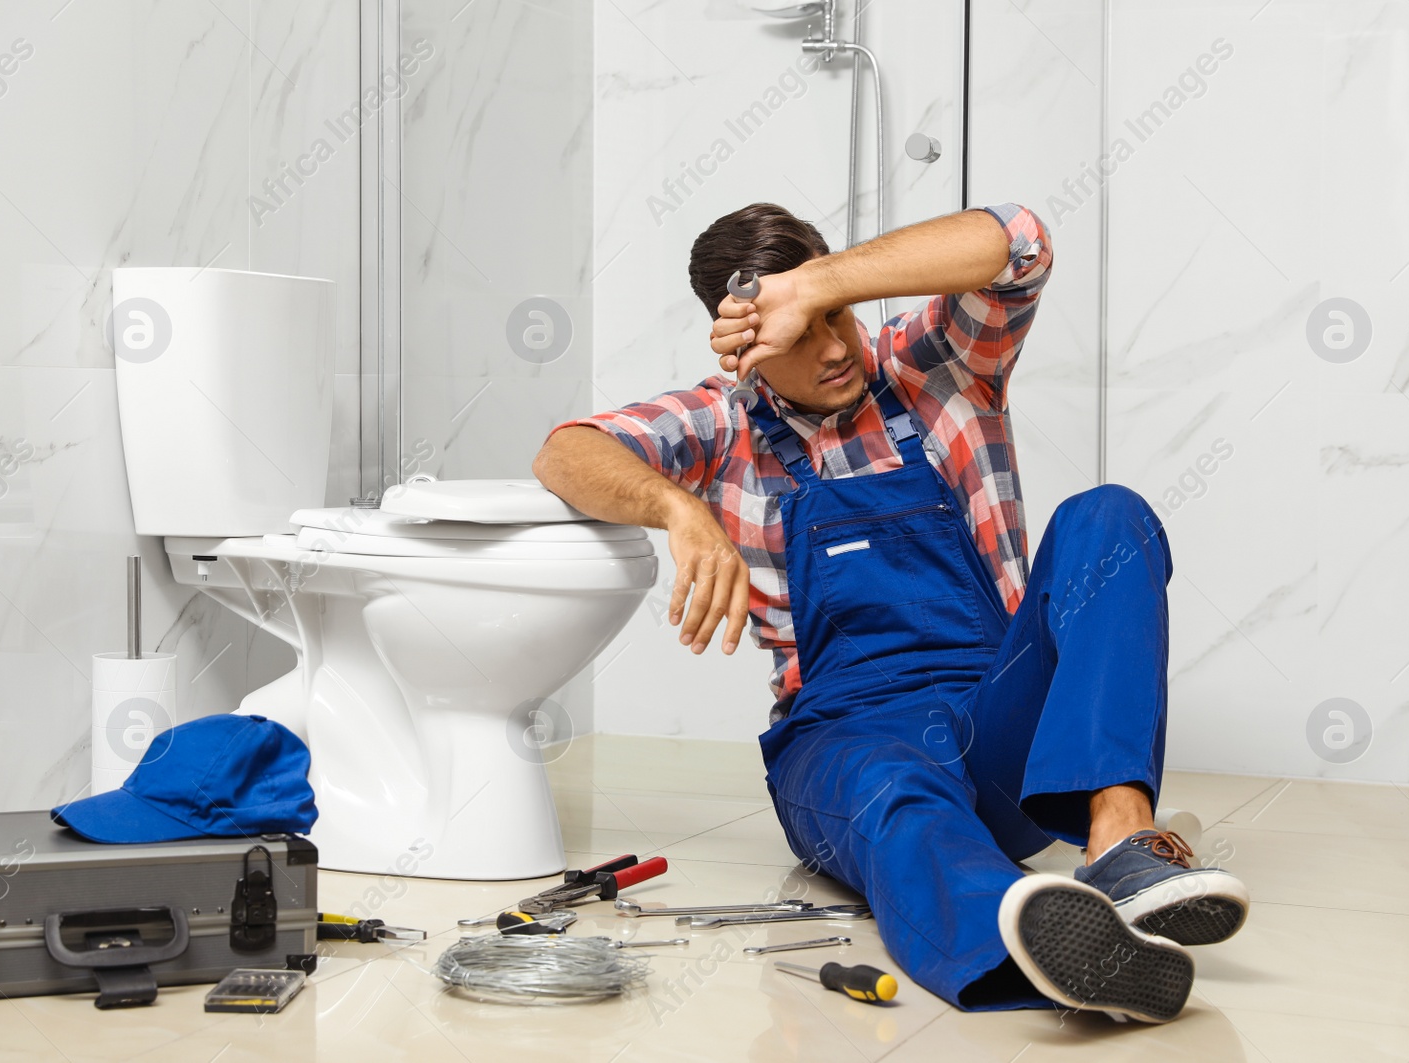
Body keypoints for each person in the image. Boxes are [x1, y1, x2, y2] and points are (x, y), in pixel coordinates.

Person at [532, 201, 1249, 1022]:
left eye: (834, 315)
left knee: (1108, 517)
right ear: (744, 344)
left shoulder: (938, 365)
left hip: (999, 721)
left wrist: (813, 286)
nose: (834, 346)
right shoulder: (722, 423)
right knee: (893, 792)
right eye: (796, 334)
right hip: (845, 733)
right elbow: (565, 451)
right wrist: (679, 510)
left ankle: (1120, 843)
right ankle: (1046, 949)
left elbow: (1021, 241)